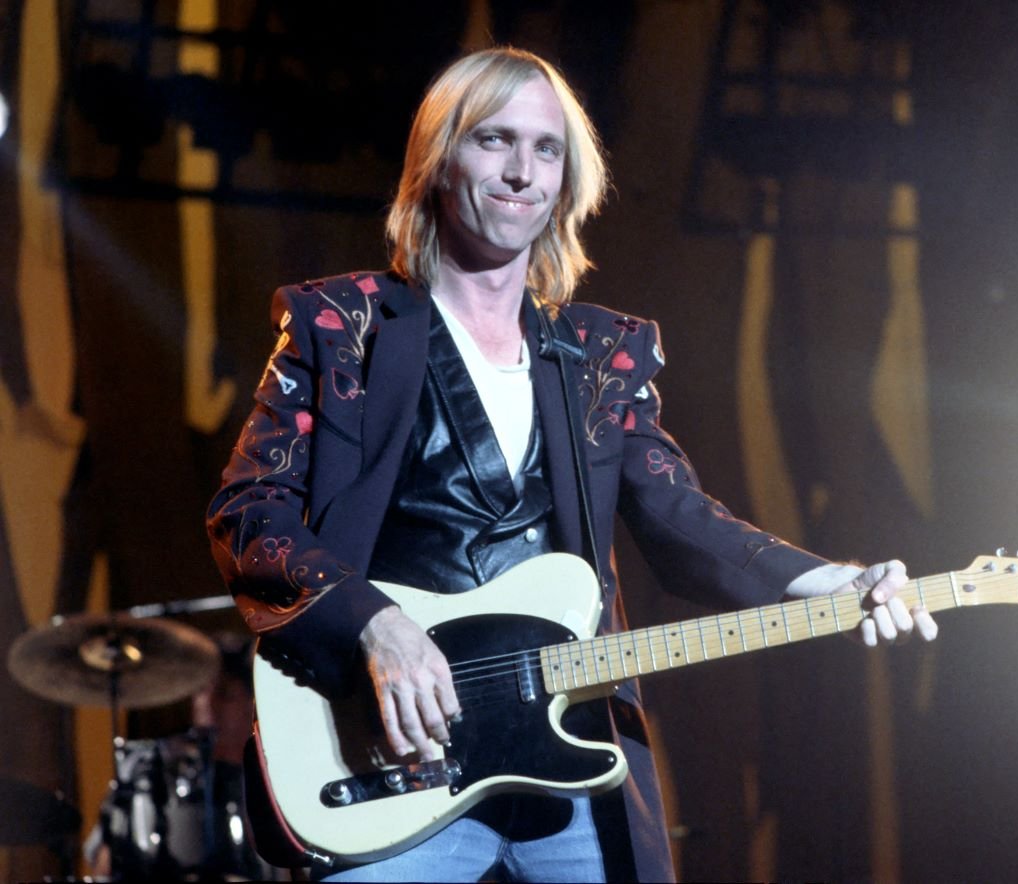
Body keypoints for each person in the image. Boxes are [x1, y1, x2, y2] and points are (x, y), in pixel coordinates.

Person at [206, 46, 937, 883]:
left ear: (567, 179)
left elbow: (681, 518)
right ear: (438, 160)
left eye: (546, 149)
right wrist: (376, 625)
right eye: (493, 140)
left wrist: (832, 581)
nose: (522, 171)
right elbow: (248, 510)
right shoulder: (342, 328)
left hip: (570, 757)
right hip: (395, 757)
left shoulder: (597, 354)